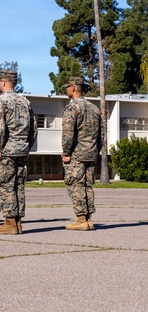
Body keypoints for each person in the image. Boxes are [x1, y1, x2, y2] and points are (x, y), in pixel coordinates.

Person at [0, 70, 37, 235]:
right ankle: (17, 222)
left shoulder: (0, 101)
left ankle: (10, 222)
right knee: (19, 186)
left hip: (7, 150)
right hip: (22, 149)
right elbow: (33, 128)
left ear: (3, 82)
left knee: (6, 186)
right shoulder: (25, 101)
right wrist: (27, 146)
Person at [61, 76, 101, 231]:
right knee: (87, 187)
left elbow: (68, 134)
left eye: (67, 87)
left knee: (76, 186)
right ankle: (89, 219)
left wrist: (66, 152)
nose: (66, 90)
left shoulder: (72, 108)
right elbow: (101, 134)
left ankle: (81, 220)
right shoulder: (94, 108)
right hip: (91, 153)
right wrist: (97, 150)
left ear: (73, 88)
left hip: (76, 155)